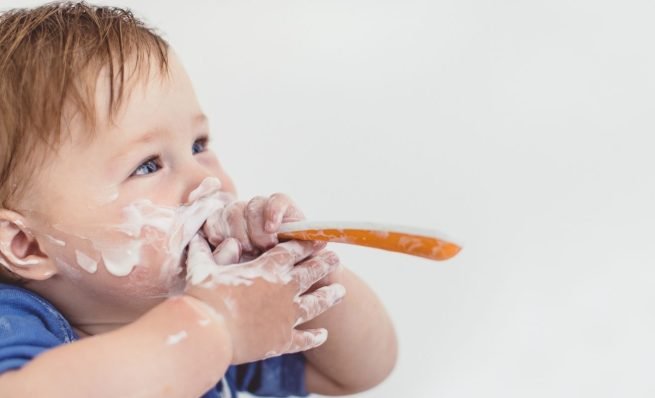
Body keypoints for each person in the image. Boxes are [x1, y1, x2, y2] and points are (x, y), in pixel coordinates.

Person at [0, 2, 397, 397]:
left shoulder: (213, 302)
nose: (204, 179)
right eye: (147, 165)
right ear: (27, 244)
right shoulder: (17, 324)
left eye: (198, 144)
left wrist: (309, 270)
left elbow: (357, 373)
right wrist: (213, 327)